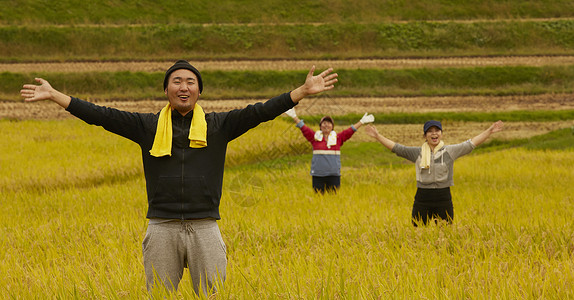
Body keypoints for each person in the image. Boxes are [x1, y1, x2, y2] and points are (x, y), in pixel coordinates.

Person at [20, 60, 338, 296]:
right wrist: (55, 95)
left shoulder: (219, 126)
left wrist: (301, 92)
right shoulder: (146, 126)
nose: (183, 87)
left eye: (189, 82)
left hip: (205, 227)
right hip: (161, 228)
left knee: (214, 295)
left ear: (199, 90)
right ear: (167, 89)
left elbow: (261, 111)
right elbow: (101, 115)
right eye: (176, 81)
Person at [364, 120, 504, 226]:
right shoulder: (417, 153)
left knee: (445, 235)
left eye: (437, 130)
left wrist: (489, 131)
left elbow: (471, 144)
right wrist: (377, 136)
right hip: (422, 197)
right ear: (425, 135)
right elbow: (397, 148)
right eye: (430, 131)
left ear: (441, 134)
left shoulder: (450, 151)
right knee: (417, 233)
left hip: (443, 197)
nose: (434, 133)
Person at [284, 108, 374, 193]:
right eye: (324, 123)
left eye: (328, 123)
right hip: (318, 175)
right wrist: (294, 117)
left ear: (332, 127)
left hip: (334, 175)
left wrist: (361, 122)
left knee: (333, 200)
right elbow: (304, 128)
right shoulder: (314, 137)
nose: (326, 125)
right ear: (320, 126)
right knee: (319, 199)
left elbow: (350, 130)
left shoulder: (338, 138)